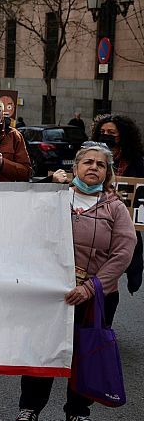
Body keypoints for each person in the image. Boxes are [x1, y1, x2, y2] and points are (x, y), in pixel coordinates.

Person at [13, 142, 135, 421]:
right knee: (42, 351)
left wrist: (92, 288)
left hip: (97, 296)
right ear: (75, 168)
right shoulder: (54, 199)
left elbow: (123, 251)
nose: (94, 167)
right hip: (52, 294)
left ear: (107, 174)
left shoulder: (115, 207)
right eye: (88, 162)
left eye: (101, 164)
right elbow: (29, 237)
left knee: (86, 352)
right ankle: (29, 409)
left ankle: (78, 412)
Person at [91, 114, 144, 294]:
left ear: (122, 135)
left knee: (127, 249)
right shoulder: (91, 157)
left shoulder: (136, 161)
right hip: (98, 219)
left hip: (126, 219)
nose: (106, 135)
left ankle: (132, 274)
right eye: (103, 132)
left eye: (111, 132)